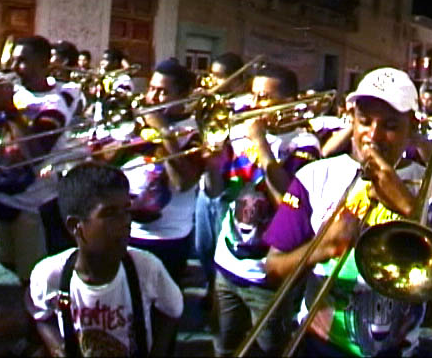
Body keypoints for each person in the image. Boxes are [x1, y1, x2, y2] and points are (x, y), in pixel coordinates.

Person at [264, 67, 432, 357]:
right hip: (318, 346)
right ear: (352, 121)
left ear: (411, 126)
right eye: (364, 122)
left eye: (390, 125)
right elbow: (273, 271)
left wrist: (410, 208)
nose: (373, 135)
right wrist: (322, 247)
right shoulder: (314, 177)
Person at [207, 63, 321, 356]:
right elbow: (218, 191)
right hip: (228, 263)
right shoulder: (237, 135)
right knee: (224, 347)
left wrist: (261, 144)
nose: (255, 105)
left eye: (265, 97)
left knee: (274, 349)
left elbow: (288, 201)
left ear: (290, 103)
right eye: (254, 95)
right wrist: (211, 161)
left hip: (268, 276)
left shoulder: (305, 144)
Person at [27, 162, 183, 357]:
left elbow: (172, 310)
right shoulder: (50, 275)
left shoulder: (146, 268)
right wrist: (58, 348)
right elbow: (40, 314)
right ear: (75, 225)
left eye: (126, 210)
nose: (125, 221)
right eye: (109, 214)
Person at [0, 35, 73, 282]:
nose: (14, 68)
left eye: (22, 61)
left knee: (33, 278)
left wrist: (11, 111)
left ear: (44, 64)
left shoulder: (54, 105)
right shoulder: (17, 91)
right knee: (6, 266)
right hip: (3, 195)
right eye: (14, 60)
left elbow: (34, 153)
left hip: (33, 204)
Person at [120, 58, 202, 284]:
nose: (153, 98)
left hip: (168, 237)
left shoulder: (195, 131)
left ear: (183, 96)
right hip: (127, 229)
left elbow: (182, 183)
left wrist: (165, 133)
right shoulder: (137, 122)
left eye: (163, 92)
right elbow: (107, 161)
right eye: (151, 89)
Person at [194, 52, 246, 311]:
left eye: (218, 77)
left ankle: (219, 295)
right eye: (210, 75)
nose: (211, 81)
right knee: (202, 245)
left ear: (236, 82)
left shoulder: (246, 107)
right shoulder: (208, 104)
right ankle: (209, 283)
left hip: (232, 187)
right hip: (207, 183)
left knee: (220, 247)